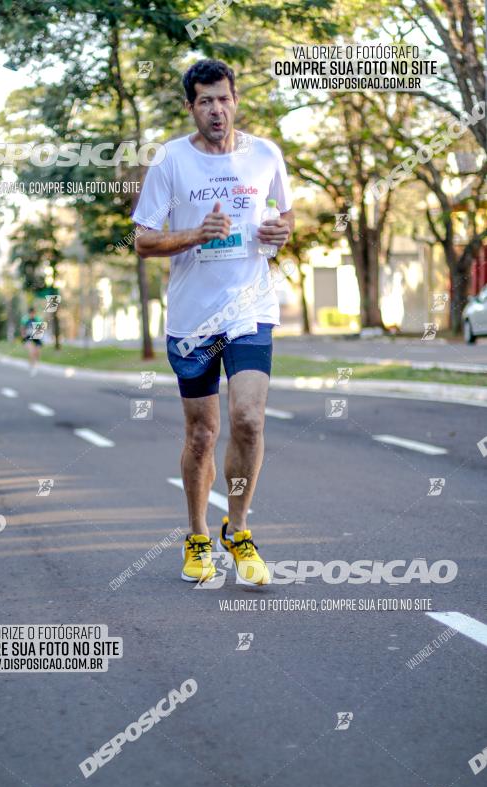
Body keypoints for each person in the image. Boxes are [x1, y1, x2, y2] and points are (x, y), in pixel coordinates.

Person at [133, 59, 294, 586]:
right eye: (205, 101)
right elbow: (143, 240)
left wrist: (280, 233)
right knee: (202, 434)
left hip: (251, 310)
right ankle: (198, 536)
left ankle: (239, 528)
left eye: (223, 98)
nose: (216, 109)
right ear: (191, 107)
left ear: (235, 99)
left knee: (248, 419)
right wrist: (195, 234)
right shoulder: (171, 162)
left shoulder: (266, 155)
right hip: (192, 320)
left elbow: (286, 216)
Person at [20, 306, 42, 375]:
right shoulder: (25, 319)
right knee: (31, 351)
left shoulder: (38, 319)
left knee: (37, 351)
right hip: (28, 337)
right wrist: (23, 338)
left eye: (33, 313)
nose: (32, 314)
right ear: (29, 313)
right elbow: (22, 329)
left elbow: (40, 330)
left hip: (36, 336)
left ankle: (36, 363)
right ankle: (32, 366)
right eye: (31, 313)